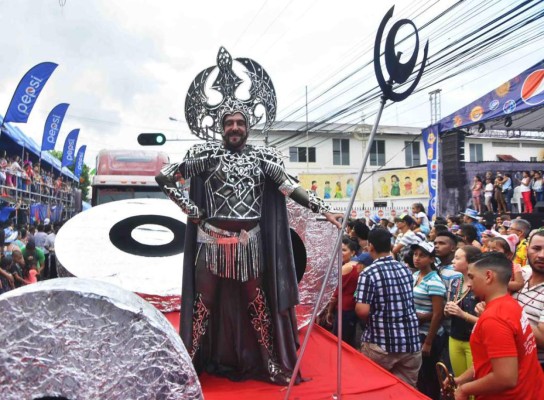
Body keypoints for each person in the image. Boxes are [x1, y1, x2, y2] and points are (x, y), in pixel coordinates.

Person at [156, 47, 341, 385]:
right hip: (210, 241)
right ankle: (190, 366)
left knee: (257, 305)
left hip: (249, 243)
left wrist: (324, 209)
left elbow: (289, 187)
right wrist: (191, 210)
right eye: (230, 123)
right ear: (220, 127)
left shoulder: (263, 158)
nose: (235, 127)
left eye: (241, 122)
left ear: (249, 125)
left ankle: (271, 363)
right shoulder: (205, 155)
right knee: (202, 306)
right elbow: (165, 177)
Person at [453, 252, 544, 399]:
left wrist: (465, 389)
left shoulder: (494, 318)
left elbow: (505, 378)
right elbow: (495, 358)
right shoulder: (511, 304)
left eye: (472, 277)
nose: (469, 284)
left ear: (489, 276)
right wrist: (462, 379)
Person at [355, 228, 421, 387]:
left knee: (374, 388)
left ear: (370, 246)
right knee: (405, 391)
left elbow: (362, 310)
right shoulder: (405, 269)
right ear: (391, 245)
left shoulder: (368, 273)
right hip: (410, 342)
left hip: (381, 343)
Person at [411, 242, 446, 399]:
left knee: (429, 377)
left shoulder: (434, 281)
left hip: (428, 334)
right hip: (417, 332)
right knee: (419, 374)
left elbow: (438, 314)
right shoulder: (415, 276)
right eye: (415, 254)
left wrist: (428, 342)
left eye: (422, 255)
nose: (417, 258)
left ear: (432, 259)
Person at [444, 246, 481, 378]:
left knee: (474, 382)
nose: (453, 261)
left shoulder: (480, 284)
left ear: (470, 262)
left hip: (474, 341)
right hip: (454, 337)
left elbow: (487, 321)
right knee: (458, 380)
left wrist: (462, 314)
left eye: (457, 258)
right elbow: (447, 312)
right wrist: (447, 310)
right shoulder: (455, 281)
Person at [325, 238, 360, 348]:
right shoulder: (359, 265)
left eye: (344, 250)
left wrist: (329, 312)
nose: (340, 252)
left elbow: (335, 295)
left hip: (343, 310)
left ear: (353, 252)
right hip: (353, 309)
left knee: (339, 343)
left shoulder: (346, 268)